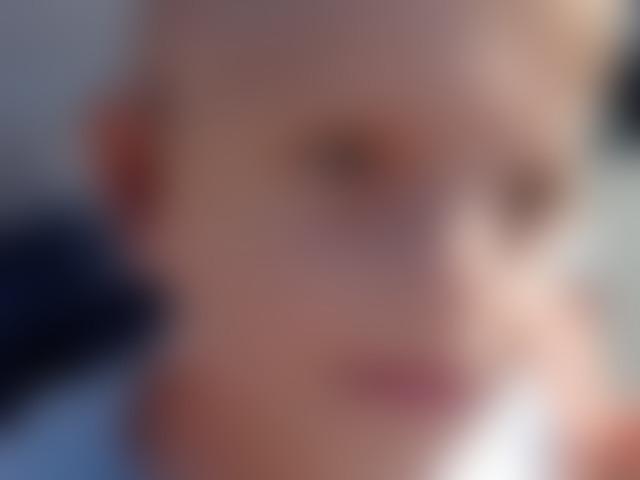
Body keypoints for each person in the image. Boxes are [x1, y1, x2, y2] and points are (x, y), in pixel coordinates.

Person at [4, 1, 637, 479]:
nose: (460, 279)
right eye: (350, 162)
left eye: (526, 199)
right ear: (140, 183)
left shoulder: (549, 439)